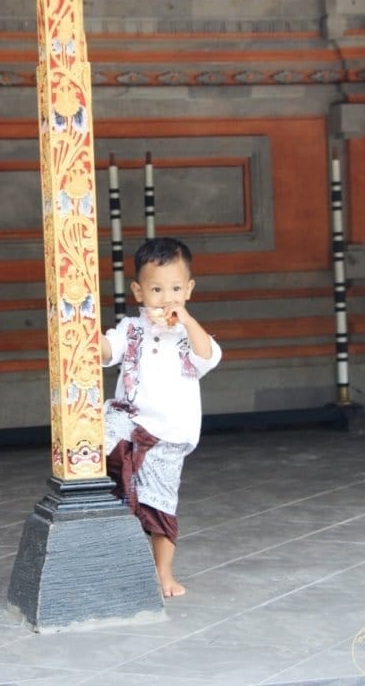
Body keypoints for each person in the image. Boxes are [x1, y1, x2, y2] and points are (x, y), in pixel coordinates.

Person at [101, 236, 222, 597]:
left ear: (189, 290)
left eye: (175, 288)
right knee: (105, 445)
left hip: (170, 435)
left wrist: (187, 322)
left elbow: (209, 356)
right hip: (130, 422)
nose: (166, 298)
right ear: (139, 292)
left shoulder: (190, 336)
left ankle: (163, 572)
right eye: (156, 289)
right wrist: (85, 331)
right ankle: (115, 550)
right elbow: (107, 351)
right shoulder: (131, 329)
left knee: (162, 505)